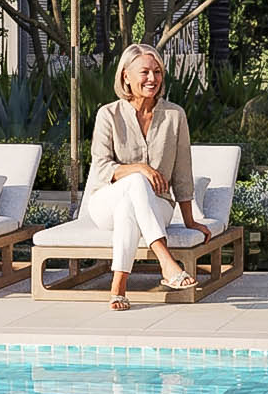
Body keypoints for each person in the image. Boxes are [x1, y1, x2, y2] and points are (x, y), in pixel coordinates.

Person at [79, 44, 202, 312]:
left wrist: (190, 220)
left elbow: (182, 171)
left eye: (157, 72)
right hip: (105, 204)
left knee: (130, 206)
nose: (152, 78)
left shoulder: (175, 115)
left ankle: (119, 286)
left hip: (158, 205)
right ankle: (166, 262)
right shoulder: (108, 114)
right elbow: (101, 167)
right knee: (135, 181)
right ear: (126, 76)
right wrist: (141, 168)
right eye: (144, 72)